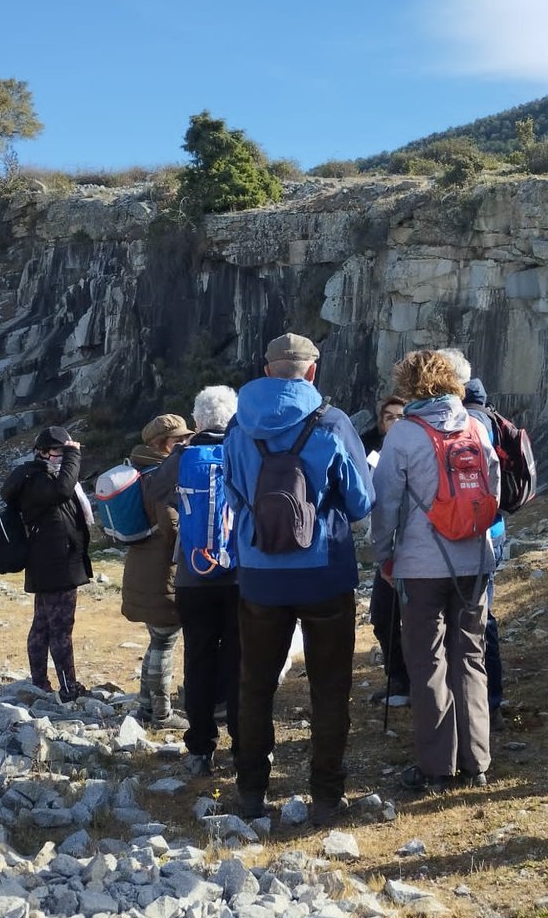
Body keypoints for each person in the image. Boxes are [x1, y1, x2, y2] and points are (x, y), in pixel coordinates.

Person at [224, 333, 373, 825]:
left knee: (255, 684)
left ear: (266, 370)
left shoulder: (237, 426)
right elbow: (360, 502)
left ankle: (250, 794)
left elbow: (231, 492)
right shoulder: (331, 422)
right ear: (312, 371)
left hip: (260, 575)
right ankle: (326, 798)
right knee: (330, 688)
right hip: (323, 572)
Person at [372, 350, 501, 794]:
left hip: (421, 564)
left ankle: (436, 767)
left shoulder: (405, 433)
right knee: (470, 655)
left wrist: (383, 556)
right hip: (476, 561)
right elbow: (494, 489)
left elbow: (385, 503)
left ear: (408, 385)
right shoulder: (475, 426)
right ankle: (477, 761)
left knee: (427, 661)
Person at [162, 386, 242, 777]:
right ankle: (245, 742)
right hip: (241, 574)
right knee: (240, 657)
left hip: (193, 575)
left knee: (198, 657)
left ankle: (199, 747)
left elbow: (150, 491)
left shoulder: (182, 457)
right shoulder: (245, 450)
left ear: (196, 421)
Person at [436, 349, 509, 724]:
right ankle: (483, 702)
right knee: (478, 618)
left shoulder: (469, 418)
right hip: (488, 528)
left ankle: (486, 702)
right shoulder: (482, 414)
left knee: (477, 621)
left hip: (476, 533)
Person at [2, 425, 93, 702]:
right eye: (58, 451)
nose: (63, 456)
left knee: (42, 625)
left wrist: (66, 455)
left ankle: (39, 684)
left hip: (51, 564)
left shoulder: (37, 478)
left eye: (65, 451)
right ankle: (68, 688)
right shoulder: (37, 481)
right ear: (42, 452)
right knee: (60, 629)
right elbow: (64, 490)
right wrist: (73, 456)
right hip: (56, 567)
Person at [124, 413, 193, 728]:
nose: (186, 443)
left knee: (157, 640)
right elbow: (171, 526)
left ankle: (145, 708)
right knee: (165, 641)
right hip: (161, 570)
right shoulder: (159, 476)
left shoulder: (139, 470)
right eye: (180, 440)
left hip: (142, 568)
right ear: (163, 444)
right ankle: (162, 714)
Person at [364, 396, 410, 706]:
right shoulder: (373, 455)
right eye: (389, 417)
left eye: (399, 416)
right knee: (382, 615)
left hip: (415, 548)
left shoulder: (416, 451)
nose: (394, 421)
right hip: (387, 549)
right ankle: (397, 678)